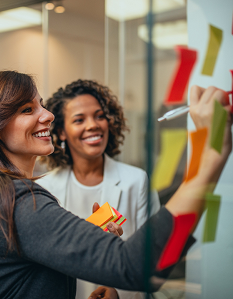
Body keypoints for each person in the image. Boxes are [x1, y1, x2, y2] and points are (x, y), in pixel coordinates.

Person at [0, 71, 232, 299]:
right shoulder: (16, 201)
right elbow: (136, 267)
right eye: (27, 109)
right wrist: (211, 156)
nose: (48, 115)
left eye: (40, 104)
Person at [37, 79, 161, 299]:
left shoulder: (136, 181)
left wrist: (117, 293)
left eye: (99, 116)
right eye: (79, 119)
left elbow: (153, 260)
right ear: (61, 132)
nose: (93, 125)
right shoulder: (44, 189)